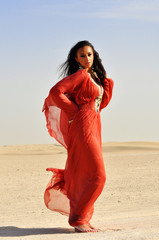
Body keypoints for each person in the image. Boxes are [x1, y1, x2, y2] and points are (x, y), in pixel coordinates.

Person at [42, 40, 114, 233]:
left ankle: (81, 218)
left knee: (87, 171)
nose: (87, 58)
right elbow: (55, 92)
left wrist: (105, 80)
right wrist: (74, 111)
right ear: (76, 59)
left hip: (94, 123)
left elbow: (101, 104)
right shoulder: (80, 75)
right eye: (82, 55)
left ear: (94, 56)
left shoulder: (95, 77)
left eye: (89, 54)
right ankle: (79, 218)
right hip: (83, 124)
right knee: (98, 174)